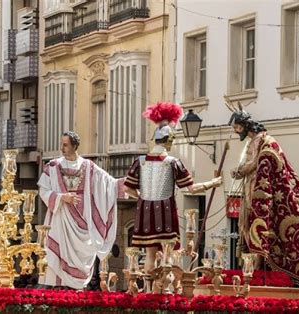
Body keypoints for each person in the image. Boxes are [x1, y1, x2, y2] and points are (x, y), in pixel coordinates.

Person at [228, 108, 299, 289]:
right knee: (245, 228)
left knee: (258, 230)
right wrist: (241, 171)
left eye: (237, 127)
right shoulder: (253, 141)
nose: (236, 132)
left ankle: (257, 270)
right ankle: (251, 269)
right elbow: (250, 164)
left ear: (245, 125)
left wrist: (243, 170)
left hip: (263, 195)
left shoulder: (267, 141)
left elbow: (262, 161)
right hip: (249, 191)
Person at [124, 102, 222, 274]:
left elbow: (128, 189)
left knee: (150, 255)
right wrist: (213, 183)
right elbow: (191, 189)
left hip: (145, 210)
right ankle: (166, 289)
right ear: (168, 140)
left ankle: (148, 290)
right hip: (165, 210)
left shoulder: (139, 161)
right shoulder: (172, 163)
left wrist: (142, 196)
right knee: (168, 252)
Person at [38, 131, 119, 289]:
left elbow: (107, 183)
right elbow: (43, 191)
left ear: (75, 146)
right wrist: (61, 197)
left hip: (83, 221)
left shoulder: (88, 167)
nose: (62, 147)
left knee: (82, 255)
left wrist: (126, 185)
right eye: (61, 144)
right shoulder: (53, 166)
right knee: (55, 259)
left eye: (66, 145)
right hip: (59, 220)